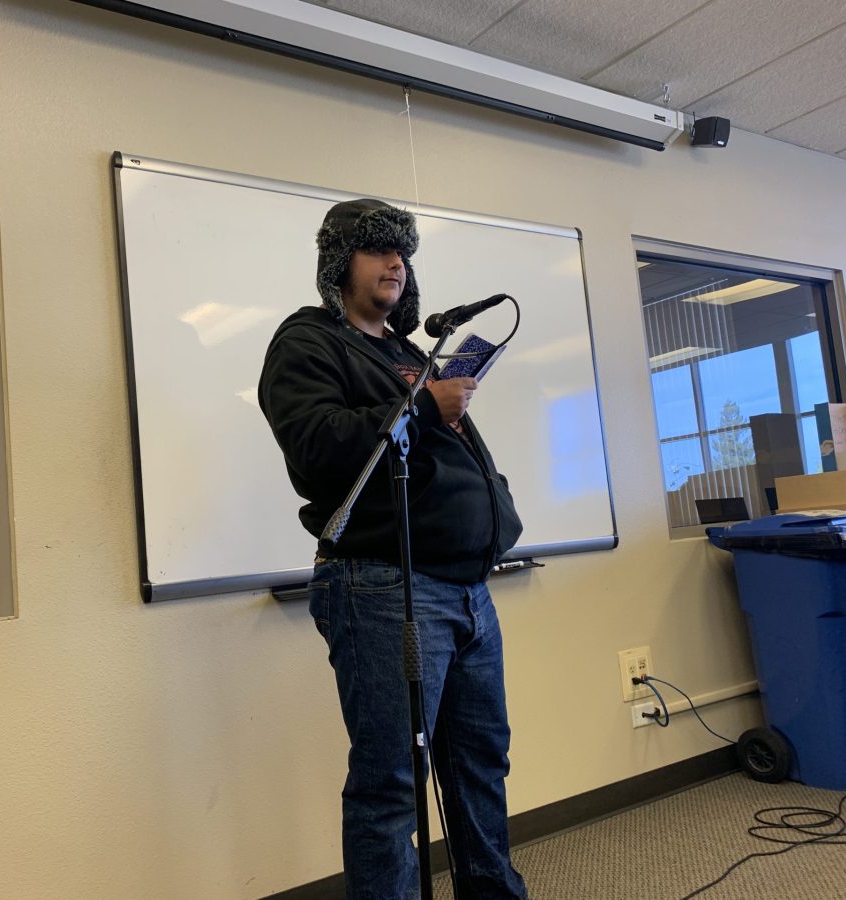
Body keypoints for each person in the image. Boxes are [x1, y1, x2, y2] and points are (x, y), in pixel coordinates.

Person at [258, 198, 528, 899]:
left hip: (468, 591)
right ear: (338, 264)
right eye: (377, 250)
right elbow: (316, 447)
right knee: (391, 786)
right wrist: (422, 410)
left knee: (479, 764)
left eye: (402, 253)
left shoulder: (411, 354)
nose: (395, 264)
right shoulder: (309, 341)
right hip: (383, 586)